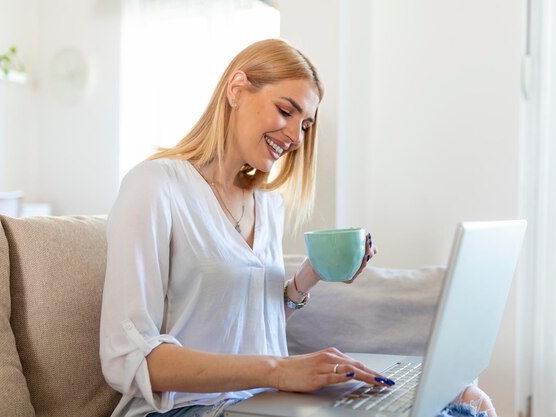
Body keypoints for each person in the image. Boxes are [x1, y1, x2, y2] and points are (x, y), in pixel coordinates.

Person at [99, 38, 497, 417]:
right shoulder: (155, 185)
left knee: (461, 402)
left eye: (305, 125)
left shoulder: (267, 205)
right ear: (237, 88)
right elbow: (128, 357)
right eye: (286, 111)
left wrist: (306, 279)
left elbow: (249, 325)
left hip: (259, 403)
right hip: (185, 408)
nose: (294, 137)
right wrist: (279, 370)